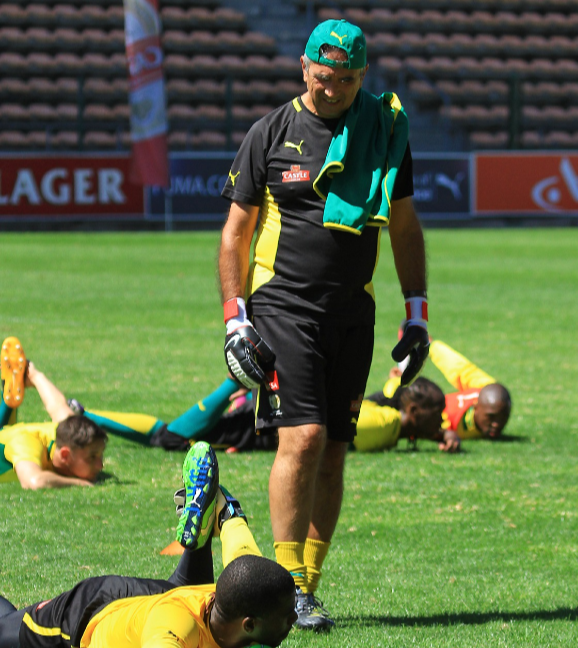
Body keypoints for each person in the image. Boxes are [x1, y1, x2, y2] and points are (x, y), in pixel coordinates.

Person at [218, 19, 430, 630]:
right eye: (324, 76)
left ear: (363, 76)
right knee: (304, 438)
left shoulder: (385, 129)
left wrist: (416, 310)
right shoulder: (271, 131)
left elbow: (406, 226)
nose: (333, 89)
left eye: (347, 79)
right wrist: (236, 321)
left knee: (335, 449)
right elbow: (235, 232)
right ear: (304, 68)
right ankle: (282, 585)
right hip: (282, 305)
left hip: (352, 310)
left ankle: (304, 588)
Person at [0, 442, 298, 648]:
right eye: (288, 615)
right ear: (249, 625)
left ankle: (201, 528)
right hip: (80, 619)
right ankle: (201, 529)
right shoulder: (172, 630)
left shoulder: (248, 587)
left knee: (186, 598)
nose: (295, 618)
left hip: (162, 597)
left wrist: (228, 511)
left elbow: (238, 545)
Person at [0, 338, 107, 489]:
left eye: (100, 455)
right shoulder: (25, 443)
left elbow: (57, 405)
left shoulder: (67, 430)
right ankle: (7, 400)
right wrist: (80, 483)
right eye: (92, 457)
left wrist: (35, 375)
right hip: (11, 438)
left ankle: (8, 399)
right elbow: (34, 482)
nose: (100, 465)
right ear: (65, 455)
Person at [429, 339, 512, 441]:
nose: (497, 424)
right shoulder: (448, 419)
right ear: (476, 408)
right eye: (491, 417)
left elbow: (463, 370)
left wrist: (433, 346)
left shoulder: (490, 389)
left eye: (504, 417)